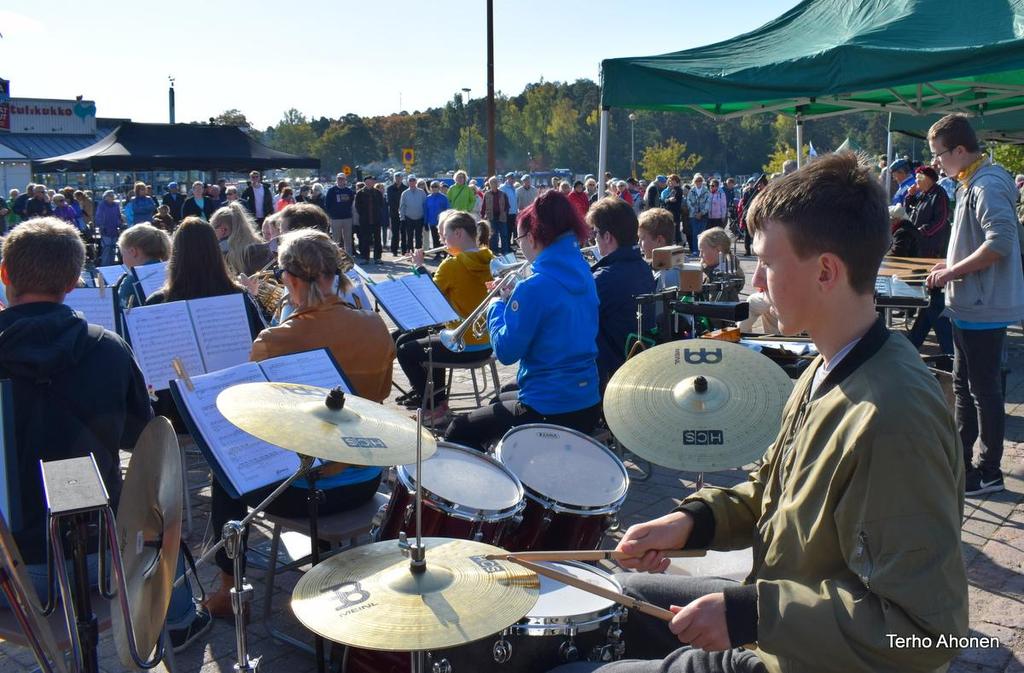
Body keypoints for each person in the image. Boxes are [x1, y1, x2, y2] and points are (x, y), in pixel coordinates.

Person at [556, 152, 969, 673]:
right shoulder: (826, 366)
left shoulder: (892, 420)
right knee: (619, 593)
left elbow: (927, 636)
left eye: (767, 264)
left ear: (825, 271)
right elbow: (774, 491)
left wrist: (750, 617)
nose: (757, 283)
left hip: (793, 655)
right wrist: (691, 522)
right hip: (781, 620)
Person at [0, 218, 211, 650]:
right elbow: (140, 439)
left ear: (4, 274)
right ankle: (182, 621)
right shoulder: (110, 348)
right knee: (154, 524)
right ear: (76, 281)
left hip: (12, 570)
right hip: (106, 560)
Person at [205, 228, 394, 617]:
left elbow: (255, 424)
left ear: (289, 279)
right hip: (367, 480)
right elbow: (382, 393)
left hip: (308, 493)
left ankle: (228, 587)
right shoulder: (374, 325)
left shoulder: (273, 341)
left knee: (223, 474)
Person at [445, 191, 602, 450]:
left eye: (519, 240)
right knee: (499, 399)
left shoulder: (534, 287)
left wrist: (495, 307)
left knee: (459, 428)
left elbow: (506, 352)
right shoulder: (584, 273)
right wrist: (515, 298)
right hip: (586, 402)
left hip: (549, 408)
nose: (520, 246)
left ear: (531, 237)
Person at [926, 113, 1024, 497]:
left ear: (961, 150)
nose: (936, 163)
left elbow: (998, 244)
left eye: (939, 155)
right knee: (966, 389)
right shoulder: (970, 181)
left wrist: (952, 273)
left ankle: (989, 472)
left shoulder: (986, 185)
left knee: (984, 391)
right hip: (968, 305)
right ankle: (964, 464)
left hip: (983, 307)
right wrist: (951, 266)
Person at [396, 211, 495, 423]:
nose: (442, 241)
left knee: (405, 351)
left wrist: (419, 267)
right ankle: (438, 400)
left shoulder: (452, 265)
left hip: (464, 345)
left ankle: (433, 407)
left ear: (458, 233)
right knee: (418, 339)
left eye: (445, 236)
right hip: (487, 342)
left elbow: (428, 297)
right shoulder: (490, 258)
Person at [587, 197, 656, 385]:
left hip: (610, 377)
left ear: (607, 236)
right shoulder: (643, 267)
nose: (594, 239)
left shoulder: (603, 279)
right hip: (634, 367)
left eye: (595, 233)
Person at [116, 223, 172, 310]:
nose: (122, 259)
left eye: (123, 254)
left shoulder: (132, 280)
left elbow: (120, 314)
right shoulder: (172, 272)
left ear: (133, 251)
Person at [905, 165, 950, 258]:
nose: (916, 181)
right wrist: (910, 196)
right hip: (920, 243)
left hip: (932, 245)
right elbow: (908, 211)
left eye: (919, 178)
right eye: (916, 178)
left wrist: (923, 231)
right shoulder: (923, 194)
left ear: (928, 179)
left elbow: (941, 220)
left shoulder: (939, 194)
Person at [211, 202, 264, 276]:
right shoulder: (258, 243)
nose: (212, 233)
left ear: (223, 230)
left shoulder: (220, 252)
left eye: (213, 228)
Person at [697, 227, 744, 303]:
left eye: (702, 251)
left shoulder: (724, 275)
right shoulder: (713, 269)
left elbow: (714, 304)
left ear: (718, 250)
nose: (700, 255)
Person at [354, 174, 386, 262]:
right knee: (365, 239)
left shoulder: (377, 192)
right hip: (365, 220)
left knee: (377, 239)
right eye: (368, 182)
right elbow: (357, 206)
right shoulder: (360, 193)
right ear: (365, 182)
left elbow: (381, 204)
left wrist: (377, 214)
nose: (370, 183)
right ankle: (365, 258)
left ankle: (377, 258)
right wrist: (363, 215)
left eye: (371, 182)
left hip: (376, 220)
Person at [325, 173, 356, 255]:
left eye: (342, 179)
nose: (340, 180)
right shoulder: (331, 190)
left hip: (347, 218)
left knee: (348, 239)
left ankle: (349, 256)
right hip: (335, 219)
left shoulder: (349, 191)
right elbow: (327, 204)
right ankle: (336, 256)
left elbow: (352, 203)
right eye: (339, 179)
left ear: (345, 180)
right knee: (336, 239)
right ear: (336, 180)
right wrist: (331, 214)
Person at [482, 176, 511, 254]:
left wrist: (505, 214)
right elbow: (483, 206)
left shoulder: (503, 194)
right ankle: (494, 251)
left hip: (502, 217)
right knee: (493, 236)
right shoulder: (486, 194)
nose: (494, 184)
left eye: (495, 182)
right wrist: (482, 216)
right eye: (492, 182)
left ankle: (505, 251)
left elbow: (507, 206)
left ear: (498, 184)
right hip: (491, 217)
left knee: (504, 235)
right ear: (489, 184)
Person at [398, 176, 427, 254]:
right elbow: (402, 206)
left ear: (416, 181)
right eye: (410, 180)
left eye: (413, 180)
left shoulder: (422, 192)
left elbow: (425, 205)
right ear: (408, 182)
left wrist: (425, 218)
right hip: (408, 218)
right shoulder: (405, 193)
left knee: (419, 237)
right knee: (409, 237)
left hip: (420, 217)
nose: (412, 182)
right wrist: (402, 218)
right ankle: (410, 253)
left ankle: (418, 253)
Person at [94, 190, 124, 265]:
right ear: (106, 197)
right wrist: (101, 226)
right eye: (110, 196)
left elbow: (118, 216)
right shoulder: (101, 205)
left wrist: (120, 224)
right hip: (105, 230)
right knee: (106, 249)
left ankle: (112, 265)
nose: (112, 197)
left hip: (114, 230)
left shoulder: (116, 205)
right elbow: (98, 217)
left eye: (112, 196)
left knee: (113, 249)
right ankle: (105, 266)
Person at [685, 174, 710, 253]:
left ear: (702, 181)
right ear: (694, 182)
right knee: (695, 233)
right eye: (697, 181)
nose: (698, 182)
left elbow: (708, 203)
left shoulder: (706, 191)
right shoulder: (691, 191)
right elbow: (688, 202)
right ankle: (695, 250)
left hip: (704, 215)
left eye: (700, 180)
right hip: (693, 216)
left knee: (702, 234)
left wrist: (702, 213)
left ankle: (702, 251)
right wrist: (695, 213)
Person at [423, 181, 449, 251]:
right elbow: (426, 211)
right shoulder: (428, 198)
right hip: (432, 222)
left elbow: (448, 210)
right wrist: (425, 222)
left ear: (439, 188)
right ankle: (437, 253)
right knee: (434, 238)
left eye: (436, 186)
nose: (434, 188)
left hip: (441, 222)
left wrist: (446, 220)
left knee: (443, 238)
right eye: (432, 187)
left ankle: (445, 253)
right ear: (430, 188)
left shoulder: (444, 198)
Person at [386, 173, 407, 255]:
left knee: (403, 232)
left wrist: (402, 210)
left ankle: (404, 250)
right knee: (395, 233)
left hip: (404, 213)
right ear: (394, 178)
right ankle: (394, 250)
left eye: (399, 177)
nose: (398, 179)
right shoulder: (390, 188)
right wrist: (397, 209)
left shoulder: (405, 188)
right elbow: (390, 201)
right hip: (394, 213)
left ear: (402, 178)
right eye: (396, 177)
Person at [500, 172, 520, 236]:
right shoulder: (503, 188)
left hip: (514, 213)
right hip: (507, 213)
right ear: (507, 178)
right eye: (511, 178)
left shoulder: (514, 188)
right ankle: (507, 246)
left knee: (514, 232)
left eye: (514, 178)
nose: (513, 180)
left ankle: (511, 245)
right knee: (507, 232)